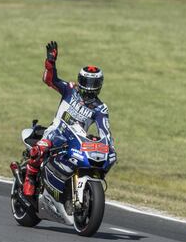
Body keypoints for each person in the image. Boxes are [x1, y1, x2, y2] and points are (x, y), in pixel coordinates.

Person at [23, 41, 116, 196]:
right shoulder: (70, 89)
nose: (89, 86)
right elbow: (50, 80)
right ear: (80, 80)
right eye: (87, 82)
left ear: (100, 84)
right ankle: (30, 178)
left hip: (75, 140)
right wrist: (50, 63)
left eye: (94, 83)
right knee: (41, 148)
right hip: (57, 131)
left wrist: (106, 144)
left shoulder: (100, 108)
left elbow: (105, 130)